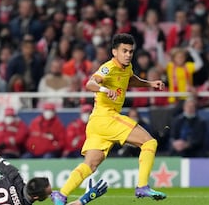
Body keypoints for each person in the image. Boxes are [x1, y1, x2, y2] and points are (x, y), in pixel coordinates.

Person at [51, 33, 167, 205]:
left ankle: (61, 194)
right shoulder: (108, 67)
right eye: (124, 51)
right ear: (114, 52)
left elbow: (130, 80)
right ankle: (142, 186)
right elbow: (90, 83)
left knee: (90, 164)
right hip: (107, 117)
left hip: (96, 122)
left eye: (130, 51)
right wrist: (104, 90)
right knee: (149, 142)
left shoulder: (126, 68)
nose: (128, 54)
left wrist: (149, 84)